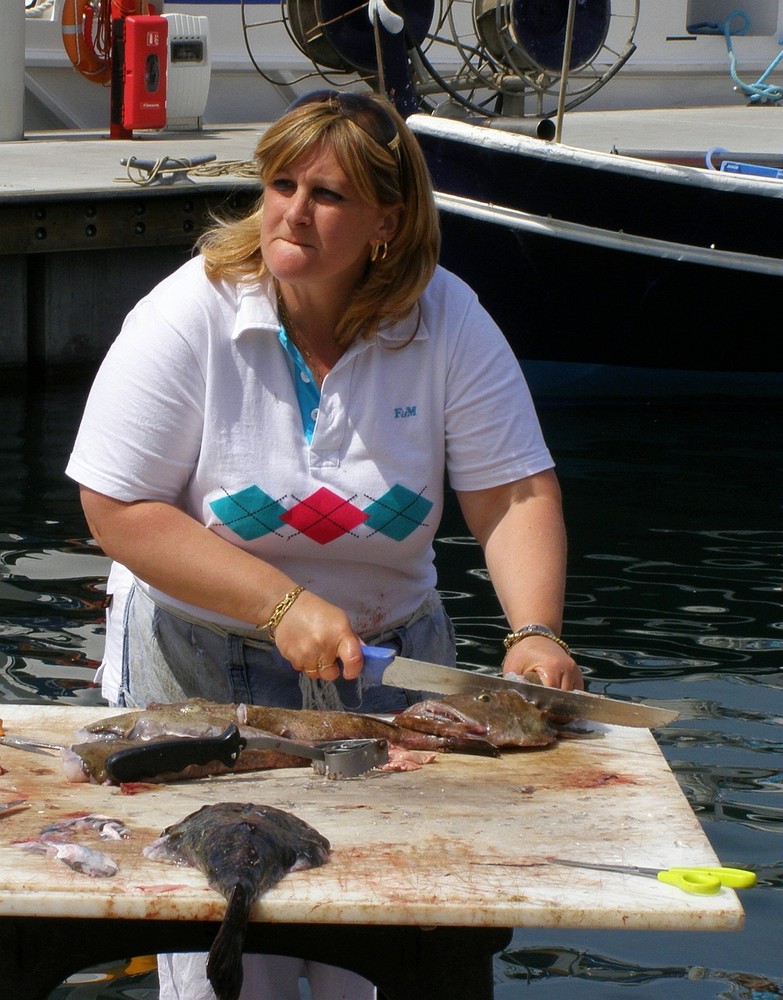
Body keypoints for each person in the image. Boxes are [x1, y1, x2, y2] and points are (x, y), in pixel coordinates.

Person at [66, 89, 582, 1000]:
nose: (293, 211)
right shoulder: (188, 313)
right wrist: (281, 605)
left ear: (389, 219)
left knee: (382, 938)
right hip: (199, 676)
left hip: (393, 679)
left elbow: (512, 493)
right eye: (279, 183)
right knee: (236, 954)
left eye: (328, 194)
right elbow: (118, 507)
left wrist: (535, 629)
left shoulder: (449, 320)